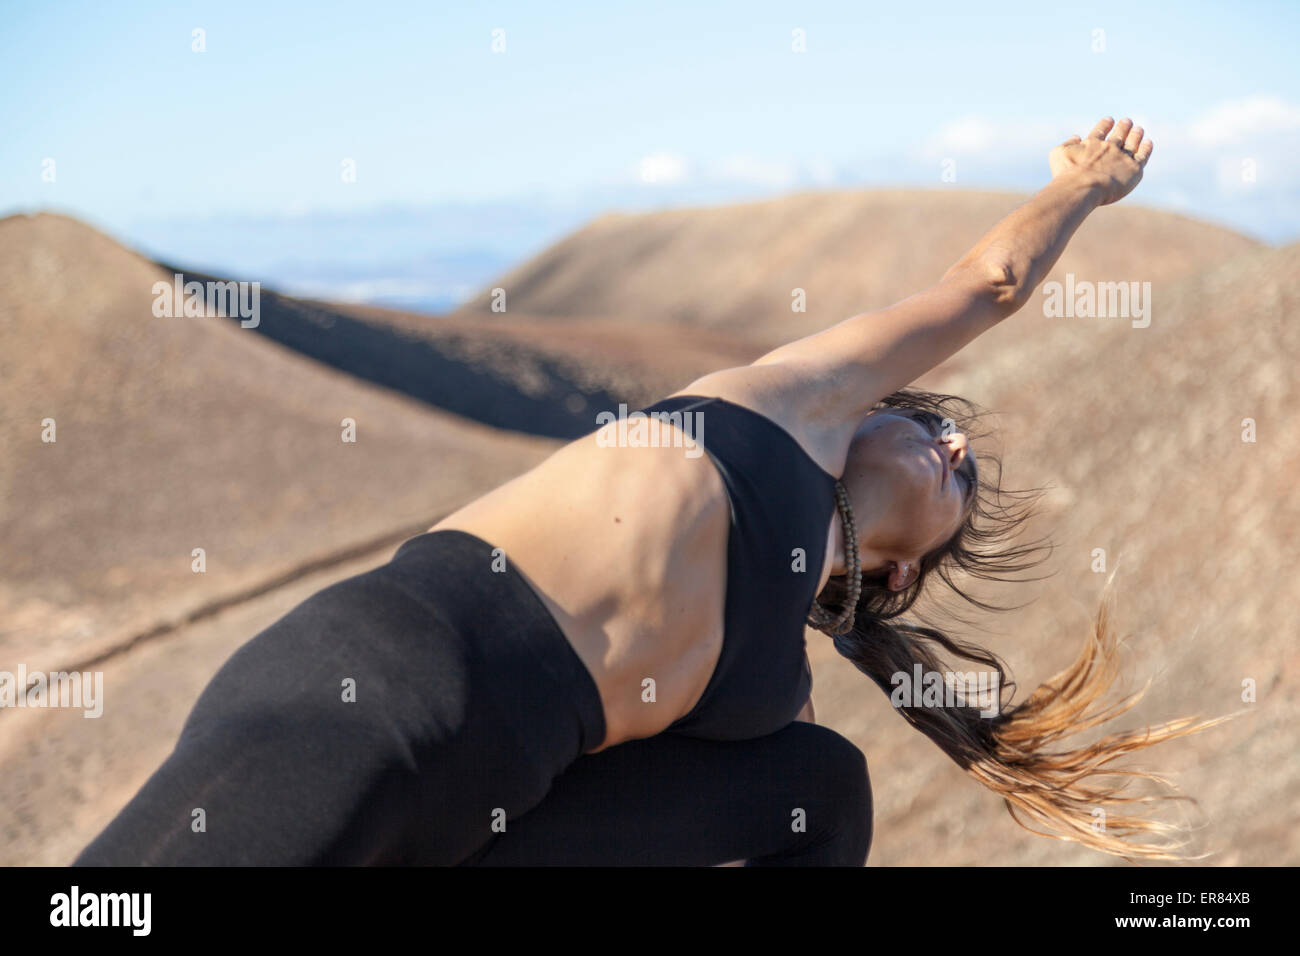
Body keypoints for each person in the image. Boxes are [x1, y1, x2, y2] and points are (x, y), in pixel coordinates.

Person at [74, 117, 1226, 867]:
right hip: (376, 686)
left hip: (484, 824)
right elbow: (991, 279)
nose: (949, 446)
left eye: (958, 474)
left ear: (902, 570)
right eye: (926, 423)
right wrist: (1085, 184)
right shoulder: (792, 407)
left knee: (823, 793)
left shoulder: (770, 699)